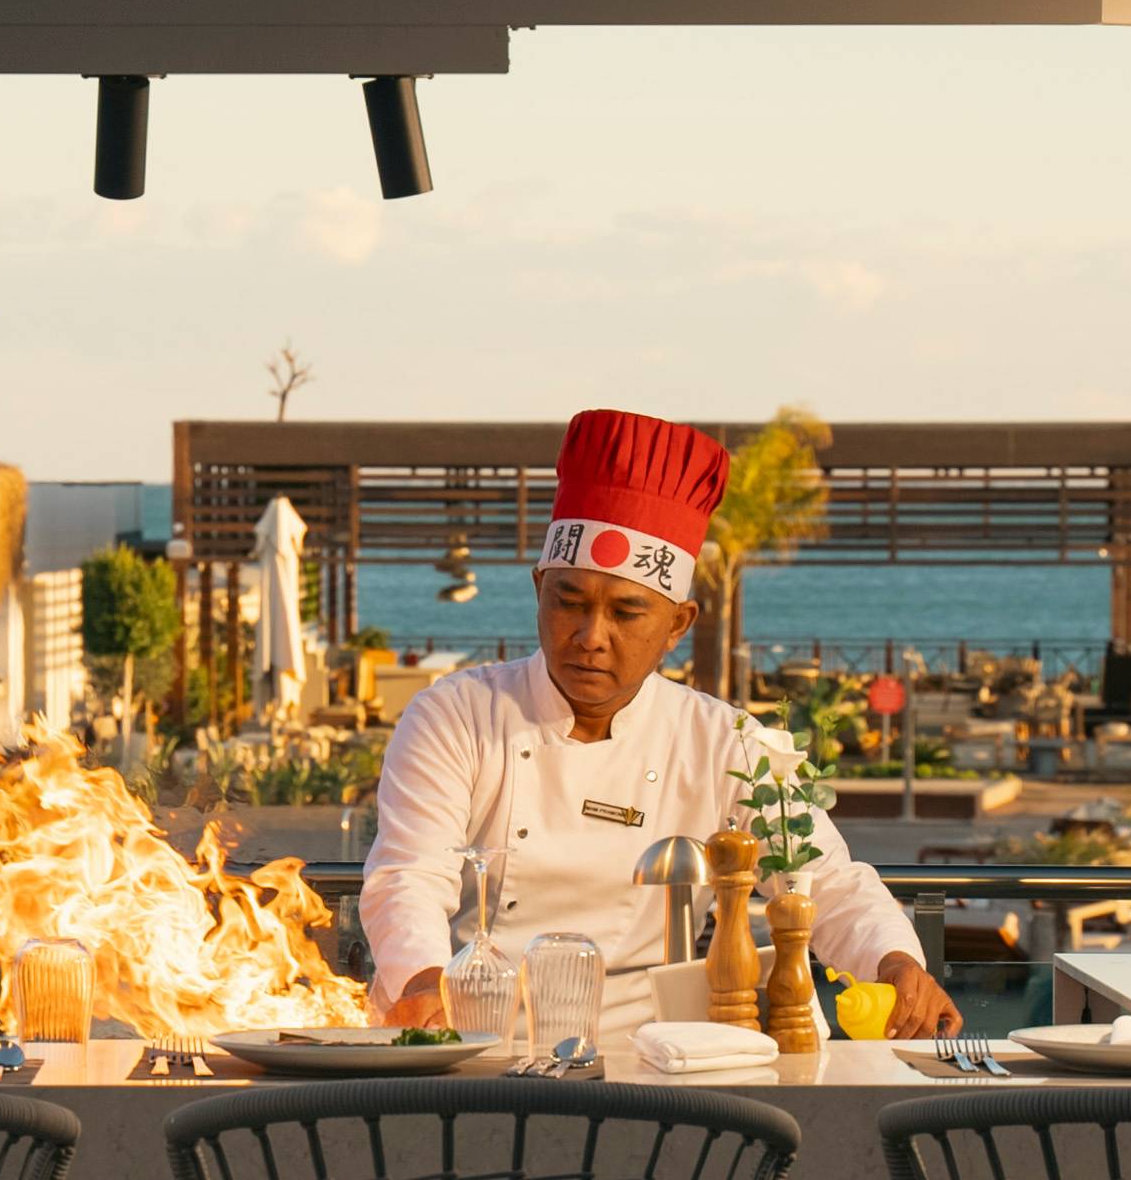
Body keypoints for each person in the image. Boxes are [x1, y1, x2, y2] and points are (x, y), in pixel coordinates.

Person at [362, 404, 959, 1040]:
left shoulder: (726, 743)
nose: (591, 636)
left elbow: (822, 881)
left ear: (678, 624)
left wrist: (897, 964)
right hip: (468, 1035)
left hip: (651, 1056)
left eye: (626, 613)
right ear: (538, 587)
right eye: (569, 601)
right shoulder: (456, 715)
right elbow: (410, 874)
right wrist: (425, 982)